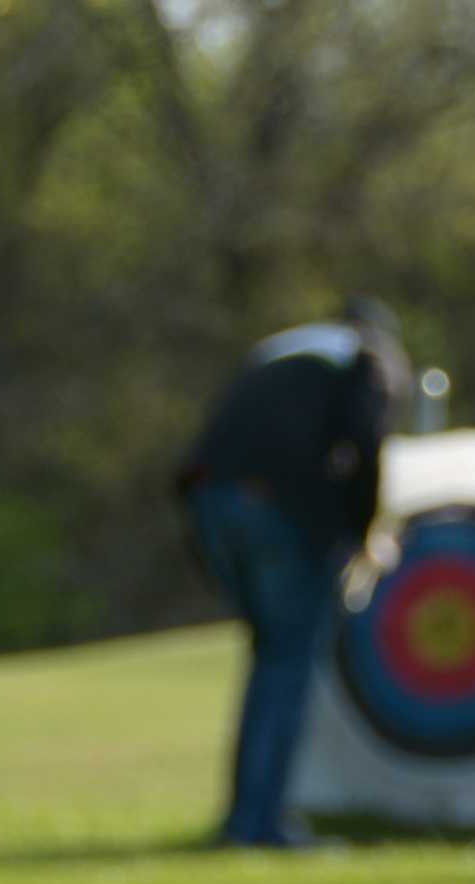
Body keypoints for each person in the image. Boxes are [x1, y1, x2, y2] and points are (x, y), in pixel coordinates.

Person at [173, 301, 412, 850]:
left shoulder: (279, 345)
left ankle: (246, 818)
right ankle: (259, 826)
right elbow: (366, 443)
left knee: (271, 659)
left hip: (208, 503)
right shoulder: (367, 355)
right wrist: (363, 531)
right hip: (272, 510)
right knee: (287, 662)